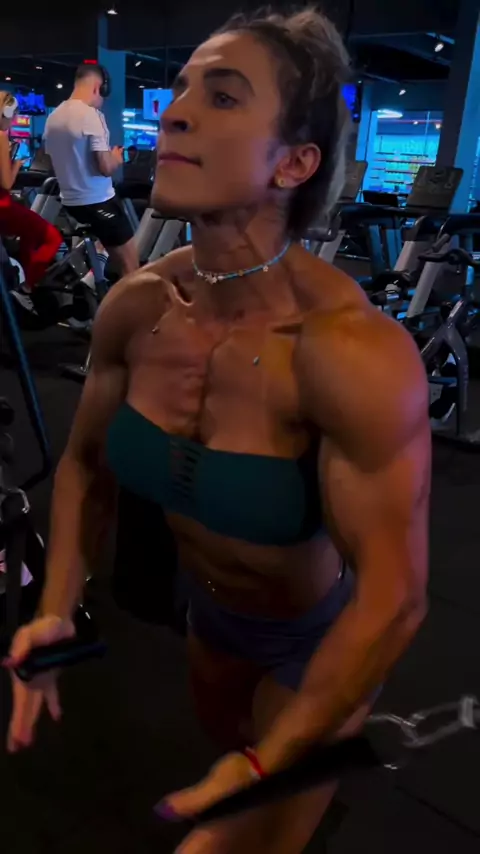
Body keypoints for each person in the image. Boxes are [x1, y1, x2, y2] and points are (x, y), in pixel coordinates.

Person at [6, 9, 430, 854]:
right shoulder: (137, 307)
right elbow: (85, 465)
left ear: (294, 162)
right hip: (210, 619)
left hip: (319, 643)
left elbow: (395, 595)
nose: (174, 113)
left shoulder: (349, 352)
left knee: (241, 833)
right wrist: (53, 609)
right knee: (226, 757)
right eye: (182, 90)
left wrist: (279, 757)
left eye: (224, 96)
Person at [43, 63, 139, 276]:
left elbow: (53, 162)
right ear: (98, 87)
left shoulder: (53, 117)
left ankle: (90, 282)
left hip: (71, 203)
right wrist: (116, 158)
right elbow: (105, 167)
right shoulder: (91, 115)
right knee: (131, 269)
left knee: (104, 241)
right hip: (98, 201)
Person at [0, 92, 62, 291]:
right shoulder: (1, 137)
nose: (14, 120)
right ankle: (27, 288)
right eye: (13, 115)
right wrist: (17, 163)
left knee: (29, 234)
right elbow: (6, 183)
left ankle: (25, 279)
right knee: (53, 237)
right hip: (3, 207)